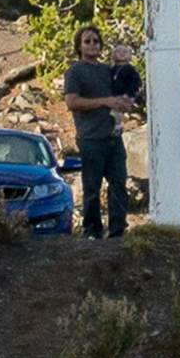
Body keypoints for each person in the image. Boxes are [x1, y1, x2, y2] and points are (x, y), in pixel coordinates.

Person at [59, 23, 143, 238]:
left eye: (96, 41)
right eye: (87, 41)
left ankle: (117, 231)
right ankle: (92, 231)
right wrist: (104, 101)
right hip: (91, 138)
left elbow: (124, 92)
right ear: (79, 46)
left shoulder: (109, 70)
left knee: (118, 184)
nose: (92, 45)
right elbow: (72, 101)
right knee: (92, 188)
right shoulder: (75, 70)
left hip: (113, 136)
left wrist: (125, 102)